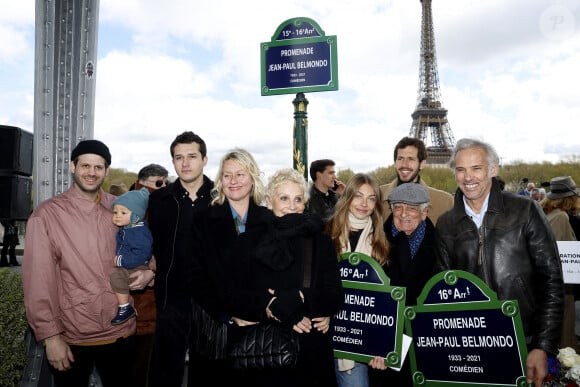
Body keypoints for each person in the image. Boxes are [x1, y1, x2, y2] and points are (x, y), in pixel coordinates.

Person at [434, 138, 564, 387]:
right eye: (460, 170)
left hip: (523, 340)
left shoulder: (525, 210)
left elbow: (552, 281)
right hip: (470, 346)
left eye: (476, 168)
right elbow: (442, 293)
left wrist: (543, 345)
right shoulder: (445, 224)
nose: (468, 177)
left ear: (493, 170)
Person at [22, 139, 137, 386]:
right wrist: (51, 337)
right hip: (73, 337)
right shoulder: (47, 215)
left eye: (98, 167)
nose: (91, 173)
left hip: (122, 332)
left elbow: (140, 250)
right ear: (72, 167)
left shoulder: (120, 208)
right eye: (85, 165)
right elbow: (38, 282)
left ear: (106, 170)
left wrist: (148, 270)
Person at [223, 168, 343, 386]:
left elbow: (334, 294)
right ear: (270, 201)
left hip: (310, 349)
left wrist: (302, 298)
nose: (292, 205)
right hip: (263, 353)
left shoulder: (320, 241)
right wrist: (269, 305)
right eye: (284, 198)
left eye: (298, 199)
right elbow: (232, 294)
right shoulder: (248, 241)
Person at [189, 147, 271, 385]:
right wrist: (228, 314)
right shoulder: (203, 220)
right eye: (227, 175)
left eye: (240, 174)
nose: (233, 181)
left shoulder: (269, 220)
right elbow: (195, 276)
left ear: (252, 178)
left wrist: (259, 309)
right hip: (217, 328)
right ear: (220, 180)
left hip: (260, 327)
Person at [147, 131, 214, 387]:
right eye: (178, 157)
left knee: (209, 375)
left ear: (204, 159)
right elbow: (148, 242)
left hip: (211, 303)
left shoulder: (221, 198)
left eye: (192, 156)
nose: (185, 163)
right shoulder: (159, 200)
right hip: (170, 300)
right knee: (165, 374)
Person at [368, 183, 438, 387]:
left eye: (412, 208)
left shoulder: (441, 244)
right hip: (384, 338)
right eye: (398, 207)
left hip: (423, 339)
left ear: (425, 213)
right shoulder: (375, 240)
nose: (404, 213)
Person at [325, 173, 390, 387]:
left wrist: (384, 345)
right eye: (358, 196)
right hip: (323, 335)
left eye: (371, 198)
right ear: (347, 197)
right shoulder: (325, 233)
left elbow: (387, 304)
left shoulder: (382, 243)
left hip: (359, 343)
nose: (364, 204)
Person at [128, 163, 169, 387]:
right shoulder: (144, 206)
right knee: (142, 369)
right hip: (144, 305)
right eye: (159, 183)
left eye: (166, 182)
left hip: (144, 305)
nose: (164, 187)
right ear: (142, 182)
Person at [540, 176, 580, 350]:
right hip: (563, 285)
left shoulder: (546, 214)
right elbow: (561, 252)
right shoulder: (561, 217)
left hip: (547, 283)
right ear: (570, 198)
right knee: (564, 330)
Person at [379, 136, 453, 224]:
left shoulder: (445, 202)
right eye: (400, 158)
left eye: (411, 159)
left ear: (422, 164)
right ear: (395, 163)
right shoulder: (377, 196)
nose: (404, 164)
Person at [110, 187, 153, 326]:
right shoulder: (129, 227)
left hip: (136, 265)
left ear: (135, 215)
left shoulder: (138, 232)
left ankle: (125, 307)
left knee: (117, 277)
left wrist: (121, 260)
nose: (117, 215)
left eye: (123, 212)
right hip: (133, 263)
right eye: (115, 212)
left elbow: (142, 254)